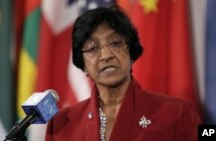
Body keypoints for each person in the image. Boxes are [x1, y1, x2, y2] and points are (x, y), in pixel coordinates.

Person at [45, 4, 201, 141]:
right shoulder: (61, 125)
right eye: (93, 48)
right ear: (83, 64)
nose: (106, 55)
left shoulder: (178, 113)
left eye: (115, 43)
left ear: (131, 51)